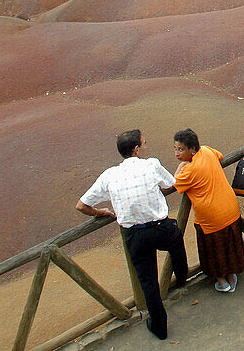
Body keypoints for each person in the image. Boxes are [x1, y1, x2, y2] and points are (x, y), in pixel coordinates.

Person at [76, 129, 188, 341]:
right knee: (176, 239)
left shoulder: (109, 175)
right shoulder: (151, 164)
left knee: (148, 282)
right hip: (160, 228)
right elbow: (171, 184)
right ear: (136, 149)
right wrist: (180, 168)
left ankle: (159, 327)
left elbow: (81, 205)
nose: (146, 146)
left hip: (134, 235)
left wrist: (100, 212)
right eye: (144, 143)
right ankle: (182, 277)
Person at [173, 129, 244, 292]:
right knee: (230, 244)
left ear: (192, 149)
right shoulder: (206, 151)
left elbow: (173, 183)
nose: (177, 153)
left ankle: (222, 281)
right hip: (230, 208)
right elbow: (219, 156)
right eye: (176, 149)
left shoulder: (188, 171)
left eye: (181, 149)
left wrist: (180, 166)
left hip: (211, 217)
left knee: (213, 250)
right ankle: (231, 275)